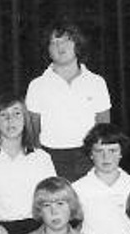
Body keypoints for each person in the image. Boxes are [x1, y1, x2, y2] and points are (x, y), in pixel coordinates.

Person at [25, 22, 112, 182]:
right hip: (51, 158)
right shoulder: (37, 85)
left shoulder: (97, 82)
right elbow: (32, 131)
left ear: (77, 44)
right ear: (48, 50)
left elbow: (104, 128)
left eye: (66, 40)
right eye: (54, 42)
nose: (60, 46)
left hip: (88, 157)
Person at [0, 94, 56, 234]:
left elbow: (51, 199)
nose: (11, 120)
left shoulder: (42, 158)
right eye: (4, 115)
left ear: (26, 119)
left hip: (34, 230)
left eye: (17, 113)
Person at [73, 123, 130, 234]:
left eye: (112, 151)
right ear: (91, 154)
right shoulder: (77, 188)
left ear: (121, 152)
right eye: (99, 151)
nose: (106, 157)